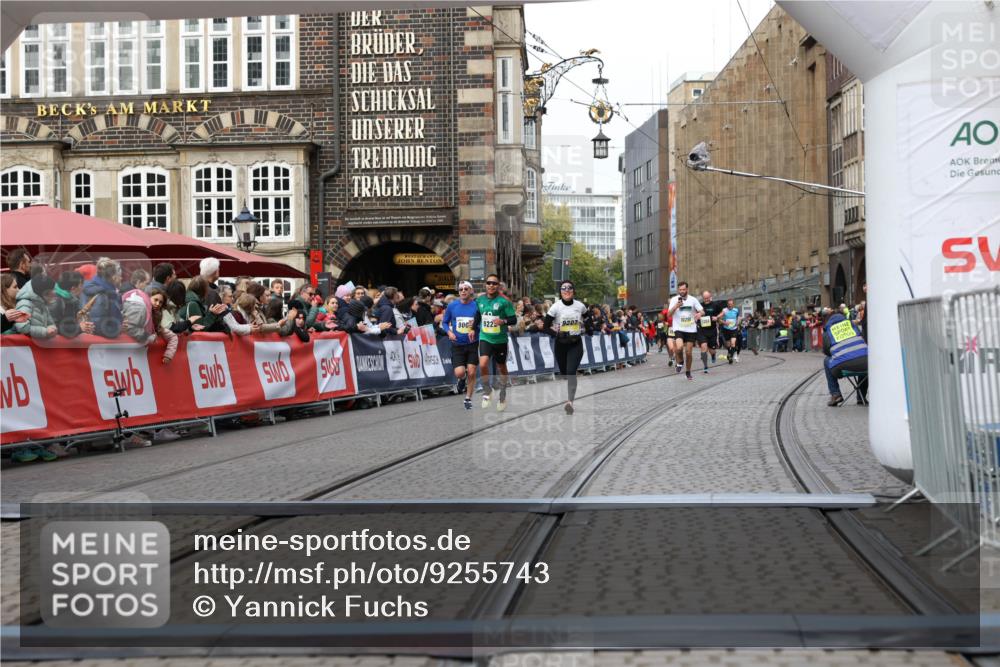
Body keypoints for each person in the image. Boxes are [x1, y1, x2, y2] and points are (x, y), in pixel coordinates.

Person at [544, 280, 588, 415]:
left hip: (575, 343)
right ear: (561, 292)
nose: (567, 291)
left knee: (571, 371)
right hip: (561, 344)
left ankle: (570, 402)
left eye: (569, 288)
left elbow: (588, 320)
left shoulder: (580, 306)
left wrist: (585, 328)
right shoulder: (555, 308)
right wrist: (557, 333)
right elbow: (546, 327)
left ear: (573, 291)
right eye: (564, 289)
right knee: (564, 372)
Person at [476, 274, 517, 411]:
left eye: (494, 283)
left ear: (498, 286)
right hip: (485, 337)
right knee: (482, 364)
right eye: (489, 283)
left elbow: (513, 320)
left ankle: (503, 396)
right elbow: (478, 316)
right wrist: (471, 328)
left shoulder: (504, 301)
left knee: (502, 368)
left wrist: (503, 321)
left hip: (500, 340)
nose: (491, 285)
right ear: (485, 285)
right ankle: (487, 391)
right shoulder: (480, 300)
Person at [441, 281, 480, 409]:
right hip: (457, 344)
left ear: (471, 291)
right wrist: (449, 332)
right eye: (461, 289)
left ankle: (468, 398)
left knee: (472, 372)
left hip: (472, 343)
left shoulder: (477, 306)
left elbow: (482, 322)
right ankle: (461, 379)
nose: (463, 291)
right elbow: (445, 323)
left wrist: (476, 328)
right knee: (459, 372)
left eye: (466, 289)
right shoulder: (452, 306)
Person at [822, 307, 868, 406]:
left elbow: (826, 351)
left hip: (842, 366)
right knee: (862, 357)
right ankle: (861, 397)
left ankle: (835, 394)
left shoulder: (828, 330)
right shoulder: (852, 325)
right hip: (865, 364)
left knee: (826, 361)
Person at [667, 281, 703, 380]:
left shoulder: (693, 299)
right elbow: (669, 315)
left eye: (683, 289)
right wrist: (676, 306)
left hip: (691, 329)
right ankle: (680, 361)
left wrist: (700, 314)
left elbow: (702, 310)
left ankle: (688, 371)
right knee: (678, 348)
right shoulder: (674, 300)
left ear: (687, 289)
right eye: (680, 290)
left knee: (688, 352)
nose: (682, 291)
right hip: (679, 328)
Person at [83, 257, 125, 338]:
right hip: (99, 346)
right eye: (119, 275)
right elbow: (99, 326)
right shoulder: (102, 294)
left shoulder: (105, 291)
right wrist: (118, 329)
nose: (121, 278)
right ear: (114, 277)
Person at [49, 271, 93, 338]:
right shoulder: (56, 302)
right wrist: (79, 328)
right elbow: (53, 327)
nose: (82, 288)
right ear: (73, 289)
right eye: (81, 285)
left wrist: (85, 325)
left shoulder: (73, 299)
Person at [13, 274, 58, 339]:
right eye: (52, 290)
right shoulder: (24, 304)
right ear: (44, 292)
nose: (55, 292)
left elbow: (50, 323)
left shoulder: (41, 302)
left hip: (40, 345)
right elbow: (22, 327)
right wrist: (45, 332)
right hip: (28, 347)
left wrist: (53, 329)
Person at [696, 290, 722, 373]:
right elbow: (695, 315)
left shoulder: (715, 305)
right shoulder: (699, 305)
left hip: (712, 330)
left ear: (710, 297)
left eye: (707, 298)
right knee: (703, 347)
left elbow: (723, 312)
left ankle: (713, 355)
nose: (706, 299)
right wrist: (697, 317)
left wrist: (717, 317)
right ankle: (705, 366)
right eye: (704, 298)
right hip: (702, 330)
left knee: (712, 350)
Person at [720, 298, 740, 364]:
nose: (730, 305)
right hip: (726, 329)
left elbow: (738, 317)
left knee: (733, 343)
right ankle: (729, 352)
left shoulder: (736, 310)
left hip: (734, 329)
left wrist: (737, 322)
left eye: (731, 304)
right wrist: (724, 322)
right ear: (727, 304)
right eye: (729, 304)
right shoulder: (724, 310)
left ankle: (730, 356)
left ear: (733, 304)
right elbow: (719, 319)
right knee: (728, 345)